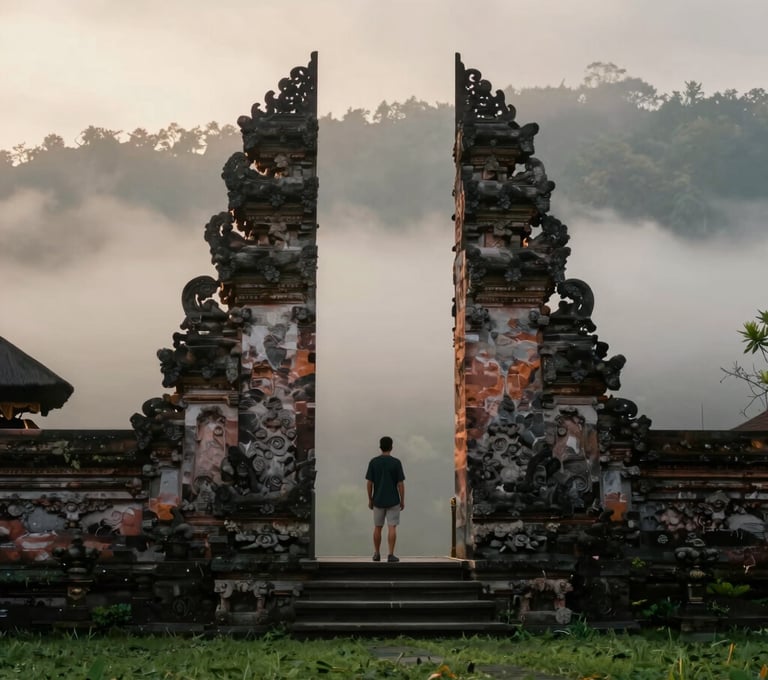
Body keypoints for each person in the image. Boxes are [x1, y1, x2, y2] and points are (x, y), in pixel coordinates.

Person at [365, 435, 405, 563]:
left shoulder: (373, 462)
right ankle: (391, 554)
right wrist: (402, 500)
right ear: (391, 447)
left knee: (378, 527)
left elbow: (369, 483)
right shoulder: (396, 462)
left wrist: (370, 499)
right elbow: (400, 484)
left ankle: (376, 553)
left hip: (378, 500)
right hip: (393, 499)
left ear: (380, 447)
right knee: (392, 527)